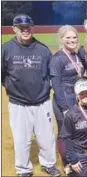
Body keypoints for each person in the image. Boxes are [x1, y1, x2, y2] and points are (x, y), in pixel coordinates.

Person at [1, 14, 60, 177]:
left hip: (42, 101)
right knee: (21, 139)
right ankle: (23, 169)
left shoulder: (42, 49)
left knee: (47, 138)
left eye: (28, 27)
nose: (25, 30)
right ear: (14, 29)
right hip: (18, 103)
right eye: (21, 28)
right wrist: (12, 88)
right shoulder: (6, 49)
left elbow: (51, 73)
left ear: (32, 28)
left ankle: (48, 164)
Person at [49, 25, 84, 174]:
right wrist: (64, 108)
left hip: (76, 98)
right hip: (64, 98)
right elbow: (56, 86)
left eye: (74, 37)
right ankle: (67, 162)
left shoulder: (77, 55)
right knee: (65, 132)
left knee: (77, 130)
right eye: (68, 37)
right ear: (62, 39)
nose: (72, 40)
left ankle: (75, 156)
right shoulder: (57, 58)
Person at [60, 78, 87, 177]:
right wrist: (73, 160)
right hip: (81, 157)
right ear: (77, 95)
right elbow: (67, 138)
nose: (85, 96)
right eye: (82, 93)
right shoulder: (71, 114)